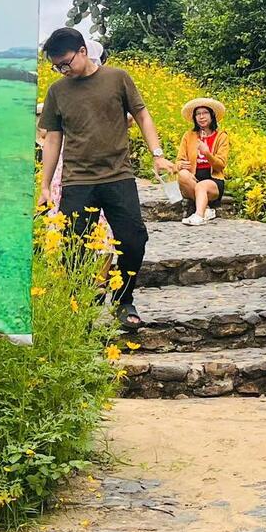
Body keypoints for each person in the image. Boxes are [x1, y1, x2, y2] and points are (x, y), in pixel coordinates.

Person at [38, 26, 168, 325]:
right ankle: (79, 309)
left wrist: (157, 154)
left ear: (83, 51)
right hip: (77, 181)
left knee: (133, 241)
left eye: (66, 63)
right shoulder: (58, 91)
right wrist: (45, 185)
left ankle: (124, 301)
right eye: (56, 66)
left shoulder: (117, 78)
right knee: (74, 249)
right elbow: (53, 140)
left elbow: (142, 114)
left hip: (118, 177)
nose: (62, 70)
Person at [176, 98, 229, 226]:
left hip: (213, 180)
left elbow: (221, 165)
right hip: (194, 177)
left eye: (205, 113)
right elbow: (178, 161)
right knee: (182, 174)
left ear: (212, 115)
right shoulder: (189, 136)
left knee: (201, 186)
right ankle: (206, 209)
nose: (201, 117)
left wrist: (207, 153)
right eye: (198, 114)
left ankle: (199, 215)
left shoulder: (221, 136)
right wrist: (180, 165)